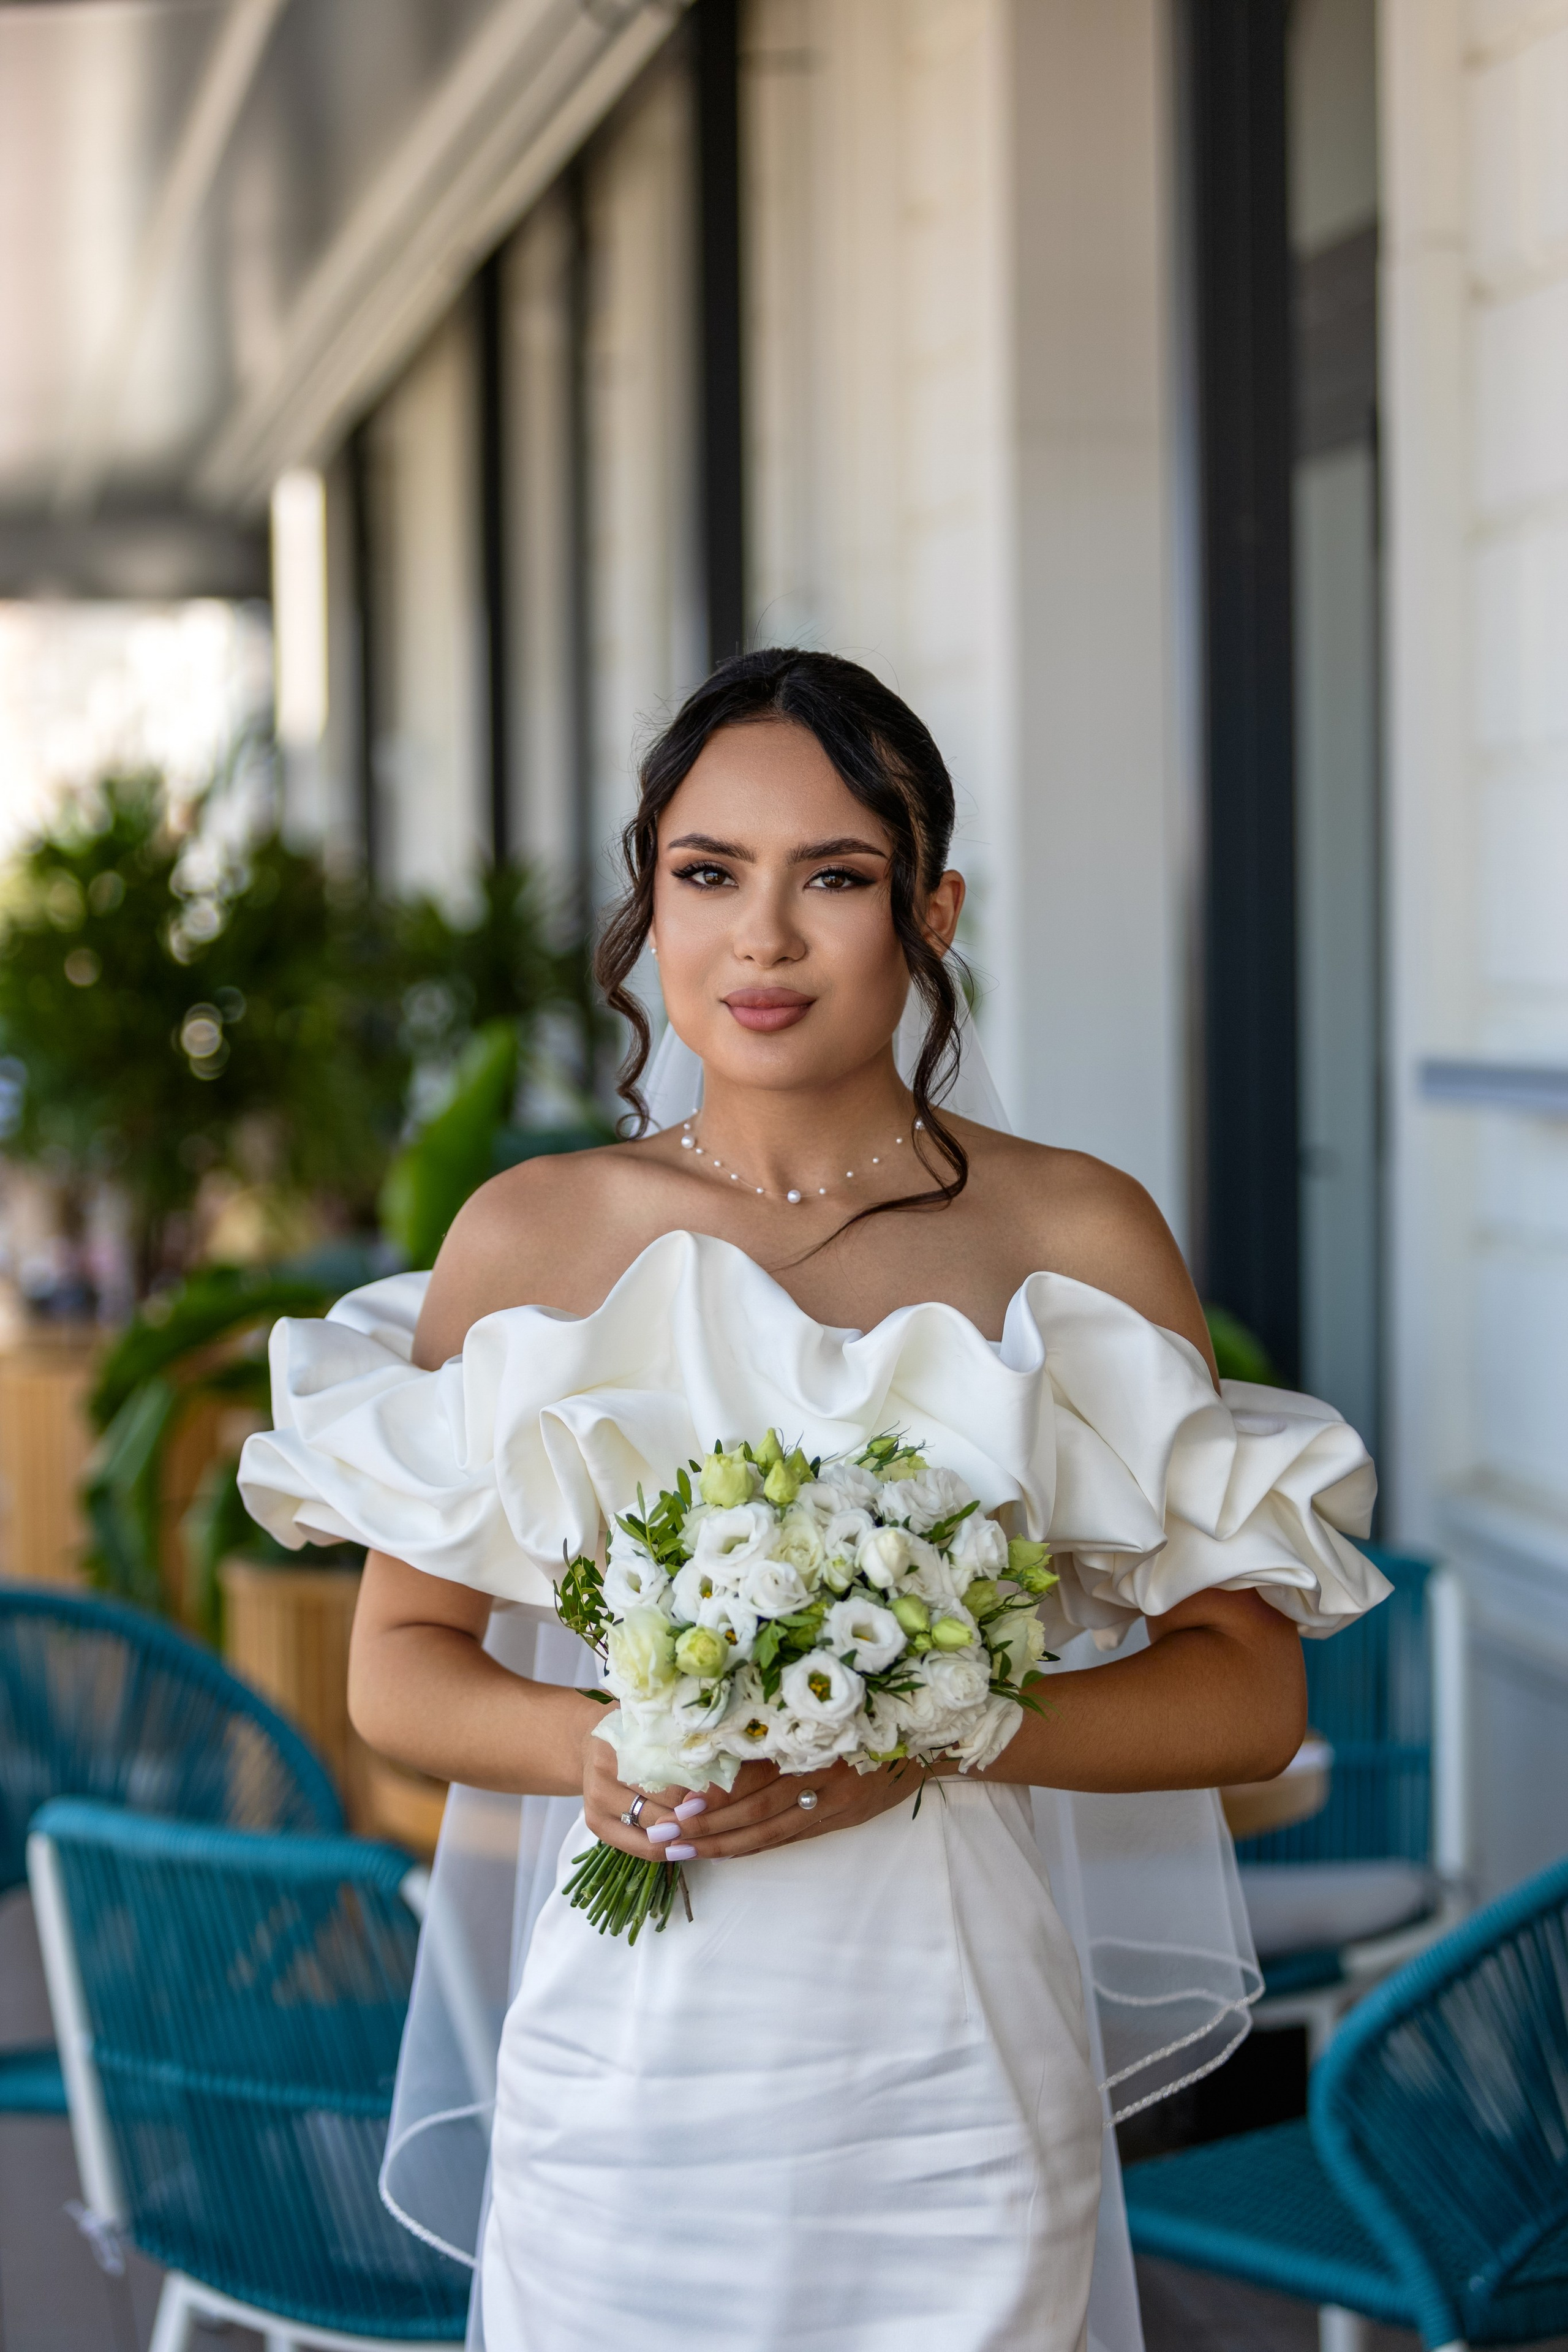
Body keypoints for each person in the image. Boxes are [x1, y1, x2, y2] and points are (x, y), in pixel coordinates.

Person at [240, 649, 1384, 2352]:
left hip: (953, 2082)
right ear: (650, 904)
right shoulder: (531, 1236)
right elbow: (396, 1666)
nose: (760, 941)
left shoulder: (1076, 1237)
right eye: (708, 876)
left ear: (931, 909)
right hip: (625, 2093)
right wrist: (590, 1750)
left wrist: (942, 1732)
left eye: (834, 879)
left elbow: (1248, 1690)